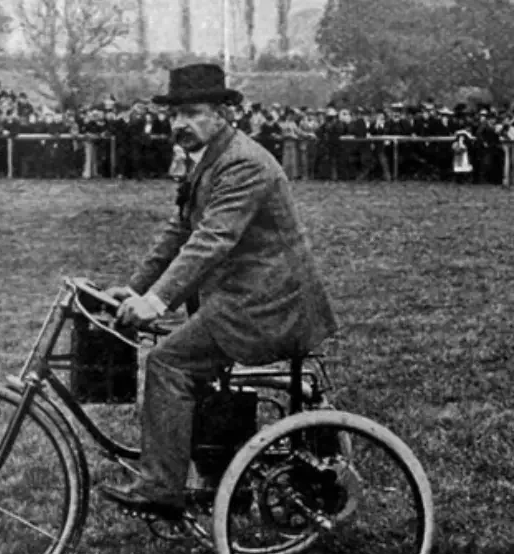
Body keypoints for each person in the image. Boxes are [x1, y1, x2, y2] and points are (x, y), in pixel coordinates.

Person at [97, 63, 337, 518]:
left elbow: (212, 239)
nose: (179, 124)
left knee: (167, 362)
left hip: (267, 305)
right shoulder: (208, 158)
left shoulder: (243, 163)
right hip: (241, 300)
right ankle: (217, 477)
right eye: (174, 115)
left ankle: (160, 489)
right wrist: (133, 289)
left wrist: (156, 301)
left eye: (192, 113)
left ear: (223, 114)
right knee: (187, 364)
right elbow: (179, 232)